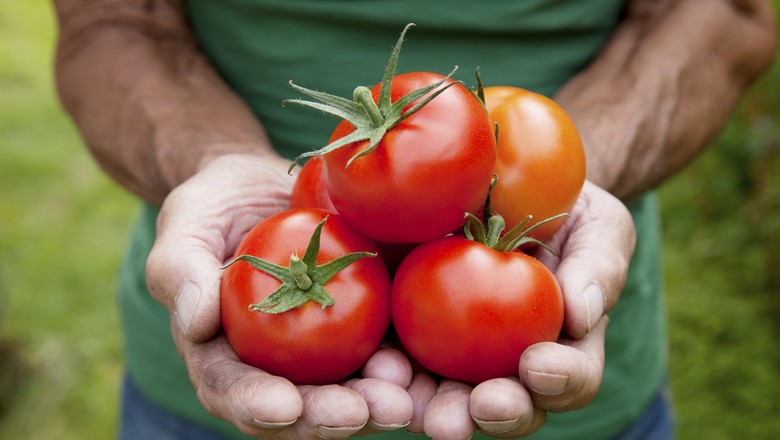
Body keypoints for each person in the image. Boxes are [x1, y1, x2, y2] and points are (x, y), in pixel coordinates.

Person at [51, 1, 776, 439]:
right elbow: (109, 19)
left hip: (580, 381)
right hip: (206, 377)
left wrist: (567, 186)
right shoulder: (333, 193)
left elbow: (725, 12)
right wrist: (212, 160)